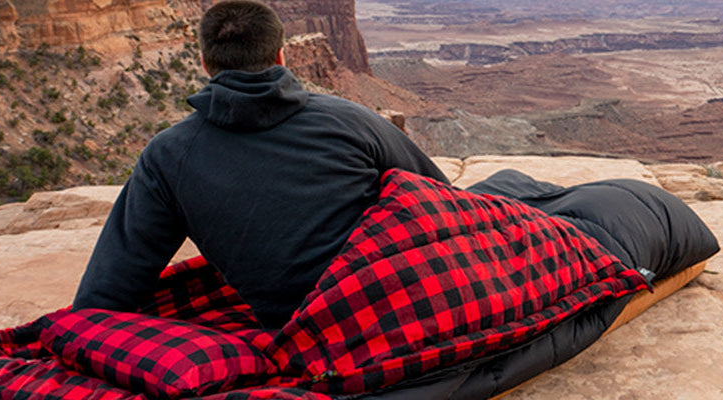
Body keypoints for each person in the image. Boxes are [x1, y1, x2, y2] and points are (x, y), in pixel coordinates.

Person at [72, 0, 448, 328]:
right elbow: (443, 199)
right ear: (281, 56)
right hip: (399, 298)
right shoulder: (351, 118)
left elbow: (111, 286)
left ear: (204, 63)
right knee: (507, 184)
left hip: (300, 330)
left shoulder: (168, 155)